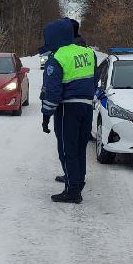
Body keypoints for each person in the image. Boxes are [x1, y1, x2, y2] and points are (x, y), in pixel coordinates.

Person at [40, 18, 97, 204]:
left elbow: (53, 92)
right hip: (86, 107)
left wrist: (46, 116)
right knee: (80, 148)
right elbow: (94, 79)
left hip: (68, 109)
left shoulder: (57, 57)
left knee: (66, 149)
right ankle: (77, 181)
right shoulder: (88, 53)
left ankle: (72, 191)